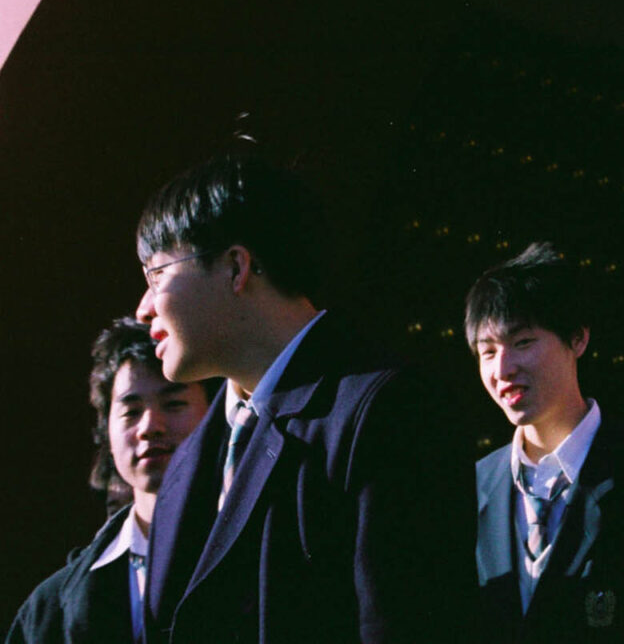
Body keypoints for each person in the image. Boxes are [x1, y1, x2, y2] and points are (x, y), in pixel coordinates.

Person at [135, 149, 476, 642]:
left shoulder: (390, 411)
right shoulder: (189, 462)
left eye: (157, 274)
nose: (143, 309)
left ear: (236, 267)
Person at [469, 245, 624, 641]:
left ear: (578, 339)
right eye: (487, 351)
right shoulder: (471, 488)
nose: (503, 369)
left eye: (523, 342)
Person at [5, 319, 210, 642]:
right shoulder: (51, 608)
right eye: (131, 411)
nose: (149, 426)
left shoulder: (266, 552)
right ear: (106, 431)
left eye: (174, 404)